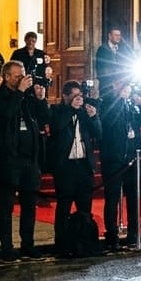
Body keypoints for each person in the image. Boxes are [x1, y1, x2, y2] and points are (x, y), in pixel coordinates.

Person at [0, 61, 49, 261]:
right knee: (6, 204)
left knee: (29, 204)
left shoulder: (28, 96)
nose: (21, 79)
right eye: (16, 76)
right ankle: (7, 246)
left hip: (30, 159)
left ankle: (28, 244)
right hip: (8, 158)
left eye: (23, 75)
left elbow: (44, 118)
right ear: (6, 77)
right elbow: (6, 114)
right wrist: (20, 92)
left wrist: (40, 99)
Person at [49, 81, 102, 256]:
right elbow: (56, 127)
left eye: (80, 95)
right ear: (65, 96)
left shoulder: (84, 113)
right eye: (74, 95)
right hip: (66, 167)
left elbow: (98, 134)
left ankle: (84, 244)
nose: (78, 99)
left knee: (85, 208)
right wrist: (70, 109)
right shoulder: (57, 111)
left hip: (84, 166)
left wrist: (94, 117)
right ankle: (62, 246)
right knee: (63, 208)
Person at [100, 80, 141, 251]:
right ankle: (112, 234)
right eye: (124, 86)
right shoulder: (107, 101)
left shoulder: (133, 104)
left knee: (134, 197)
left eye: (129, 87)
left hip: (133, 157)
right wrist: (119, 100)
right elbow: (109, 122)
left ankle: (133, 233)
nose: (127, 90)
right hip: (114, 158)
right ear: (115, 86)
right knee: (112, 198)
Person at [94, 27, 134, 97]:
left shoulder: (123, 49)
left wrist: (124, 82)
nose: (118, 37)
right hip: (107, 85)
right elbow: (100, 68)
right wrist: (111, 83)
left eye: (119, 35)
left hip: (121, 85)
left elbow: (126, 66)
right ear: (110, 36)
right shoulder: (102, 49)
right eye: (116, 35)